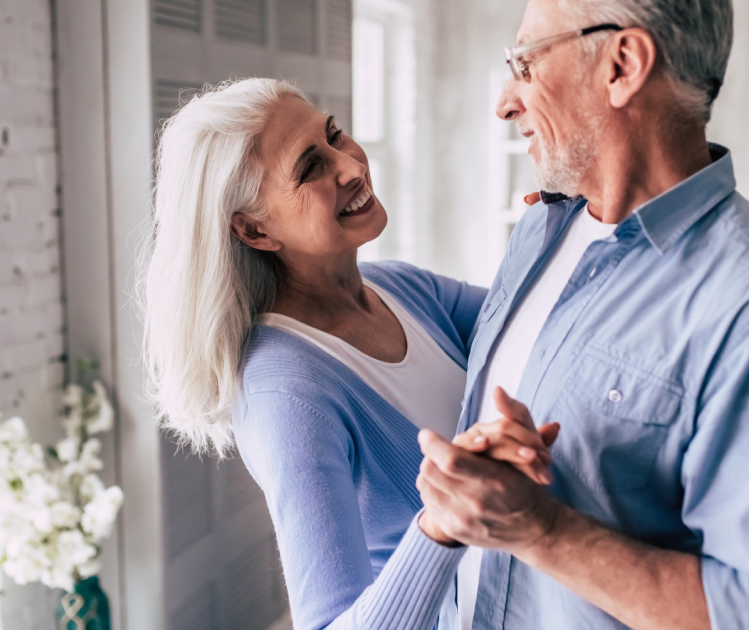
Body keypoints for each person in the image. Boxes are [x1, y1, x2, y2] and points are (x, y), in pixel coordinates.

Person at [412, 0, 749, 628]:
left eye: (525, 63)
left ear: (622, 65)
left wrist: (542, 530)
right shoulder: (541, 230)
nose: (506, 102)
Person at [139, 78, 552, 630]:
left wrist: (559, 218)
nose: (352, 166)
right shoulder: (287, 392)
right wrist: (443, 523)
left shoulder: (399, 287)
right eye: (310, 168)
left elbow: (545, 328)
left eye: (334, 135)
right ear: (254, 229)